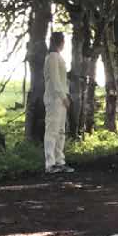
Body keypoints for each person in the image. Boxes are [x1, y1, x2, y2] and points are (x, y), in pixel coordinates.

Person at [43, 31, 73, 174]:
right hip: (55, 99)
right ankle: (50, 163)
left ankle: (59, 161)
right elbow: (55, 80)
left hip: (60, 99)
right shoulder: (52, 57)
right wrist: (63, 97)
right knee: (52, 131)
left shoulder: (57, 56)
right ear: (60, 42)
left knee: (60, 131)